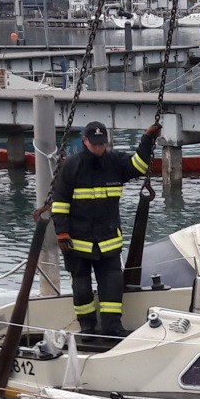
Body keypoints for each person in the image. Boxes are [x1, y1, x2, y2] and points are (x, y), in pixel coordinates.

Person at [42, 119, 162, 338]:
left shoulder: (115, 162)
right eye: (94, 143)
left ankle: (112, 327)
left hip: (108, 242)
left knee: (113, 287)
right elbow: (59, 202)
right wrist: (62, 232)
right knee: (82, 289)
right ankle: (87, 328)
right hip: (77, 244)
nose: (99, 148)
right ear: (85, 141)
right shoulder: (70, 166)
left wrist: (148, 139)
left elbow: (140, 165)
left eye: (102, 144)